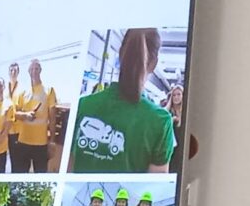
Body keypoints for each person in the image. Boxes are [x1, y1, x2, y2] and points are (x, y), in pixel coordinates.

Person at [71, 27, 178, 175]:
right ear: (154, 63)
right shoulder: (161, 121)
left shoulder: (82, 106)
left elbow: (68, 167)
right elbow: (155, 181)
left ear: (121, 54)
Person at [12, 58, 50, 173]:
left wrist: (52, 141)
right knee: (20, 174)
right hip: (23, 140)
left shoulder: (49, 90)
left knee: (40, 175)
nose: (34, 71)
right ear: (28, 71)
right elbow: (14, 114)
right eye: (32, 69)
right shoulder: (22, 92)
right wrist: (25, 115)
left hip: (41, 142)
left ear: (40, 70)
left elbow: (53, 118)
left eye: (36, 68)